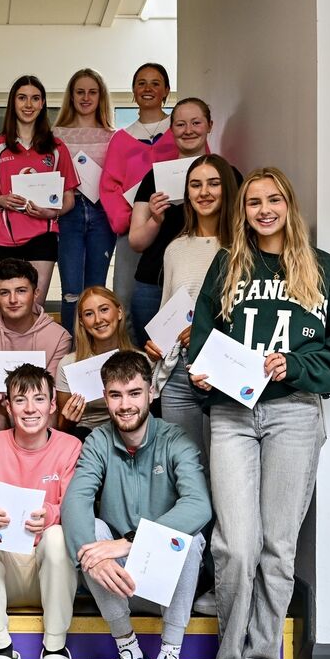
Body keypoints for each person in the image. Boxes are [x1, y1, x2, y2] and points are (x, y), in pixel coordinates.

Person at [188, 167, 330, 659]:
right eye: (254, 202)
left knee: (277, 547)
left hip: (293, 414)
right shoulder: (228, 265)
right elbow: (202, 335)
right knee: (235, 546)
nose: (264, 210)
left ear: (289, 204)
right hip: (234, 415)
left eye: (274, 200)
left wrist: (294, 364)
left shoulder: (324, 270)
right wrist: (201, 370)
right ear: (242, 211)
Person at [61, 351, 211, 659]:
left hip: (169, 576)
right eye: (115, 395)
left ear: (152, 392)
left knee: (189, 540)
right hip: (117, 579)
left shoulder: (176, 440)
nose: (125, 404)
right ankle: (130, 653)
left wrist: (131, 541)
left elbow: (199, 506)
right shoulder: (97, 441)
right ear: (105, 396)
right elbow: (75, 502)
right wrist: (88, 553)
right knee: (90, 535)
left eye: (134, 393)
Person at [0, 364, 81, 659]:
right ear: (8, 406)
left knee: (60, 534)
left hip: (51, 571)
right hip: (3, 569)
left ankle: (55, 651)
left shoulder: (70, 447)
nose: (30, 409)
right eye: (21, 400)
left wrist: (53, 514)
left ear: (53, 404)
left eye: (39, 399)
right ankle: (2, 651)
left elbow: (75, 507)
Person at [141, 153, 240, 460]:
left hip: (221, 369)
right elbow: (166, 312)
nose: (204, 192)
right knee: (184, 467)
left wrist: (203, 331)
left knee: (222, 467)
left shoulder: (241, 248)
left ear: (228, 189)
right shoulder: (175, 249)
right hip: (178, 373)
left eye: (213, 183)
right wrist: (154, 344)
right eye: (195, 185)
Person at [0, 75, 78, 312]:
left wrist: (50, 212)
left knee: (30, 312)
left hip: (42, 238)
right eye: (22, 98)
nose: (28, 105)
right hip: (4, 237)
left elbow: (69, 199)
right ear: (13, 102)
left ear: (42, 103)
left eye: (35, 98)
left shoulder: (57, 148)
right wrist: (1, 200)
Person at [126, 98, 223, 342]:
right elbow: (136, 241)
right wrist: (155, 220)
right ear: (171, 130)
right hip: (153, 283)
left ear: (209, 125)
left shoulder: (227, 175)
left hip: (207, 285)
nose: (188, 130)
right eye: (180, 124)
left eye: (196, 122)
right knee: (151, 360)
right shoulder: (154, 178)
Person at [99, 63, 180, 324]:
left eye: (156, 83)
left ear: (166, 90)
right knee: (125, 300)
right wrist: (129, 220)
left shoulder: (181, 130)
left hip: (177, 228)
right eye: (141, 83)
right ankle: (132, 360)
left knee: (176, 298)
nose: (148, 88)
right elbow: (109, 187)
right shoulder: (121, 139)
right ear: (133, 91)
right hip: (135, 230)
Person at [0, 258, 72, 441]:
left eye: (21, 291)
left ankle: (41, 470)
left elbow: (50, 393)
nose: (13, 300)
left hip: (37, 407)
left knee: (45, 419)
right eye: (4, 293)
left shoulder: (59, 336)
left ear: (36, 293)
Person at [53, 68, 117, 332]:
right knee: (71, 290)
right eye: (80, 92)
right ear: (71, 96)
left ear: (101, 96)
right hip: (68, 212)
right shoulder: (55, 134)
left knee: (96, 289)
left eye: (92, 92)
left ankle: (95, 353)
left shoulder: (113, 135)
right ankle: (72, 351)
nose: (86, 97)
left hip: (102, 212)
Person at [55, 286, 135, 440]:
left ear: (119, 312)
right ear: (82, 322)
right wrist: (68, 419)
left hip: (128, 433)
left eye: (104, 310)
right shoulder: (69, 364)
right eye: (89, 314)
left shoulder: (140, 360)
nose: (98, 320)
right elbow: (62, 427)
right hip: (85, 436)